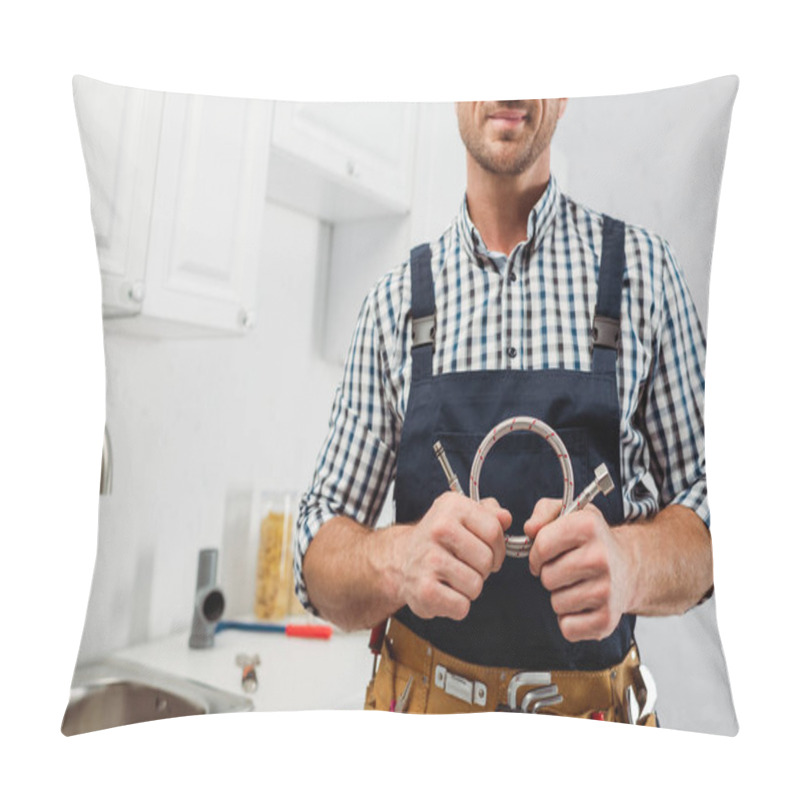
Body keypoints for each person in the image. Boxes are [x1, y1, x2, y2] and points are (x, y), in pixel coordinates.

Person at [293, 99, 713, 722]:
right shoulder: (394, 306)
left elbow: (717, 520)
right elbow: (317, 559)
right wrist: (398, 562)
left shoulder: (644, 276)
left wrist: (631, 564)